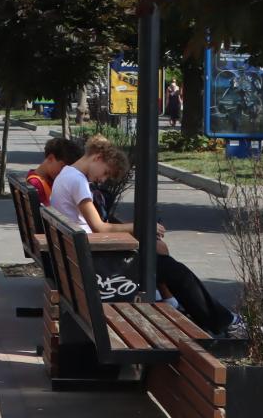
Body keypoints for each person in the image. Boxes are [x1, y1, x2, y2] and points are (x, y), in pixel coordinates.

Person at [49, 142, 240, 338]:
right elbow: (100, 228)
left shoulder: (66, 175)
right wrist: (143, 226)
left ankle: (209, 317)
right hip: (97, 265)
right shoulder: (78, 181)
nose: (102, 179)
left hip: (80, 259)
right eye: (105, 172)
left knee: (166, 263)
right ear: (98, 157)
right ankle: (226, 322)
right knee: (177, 273)